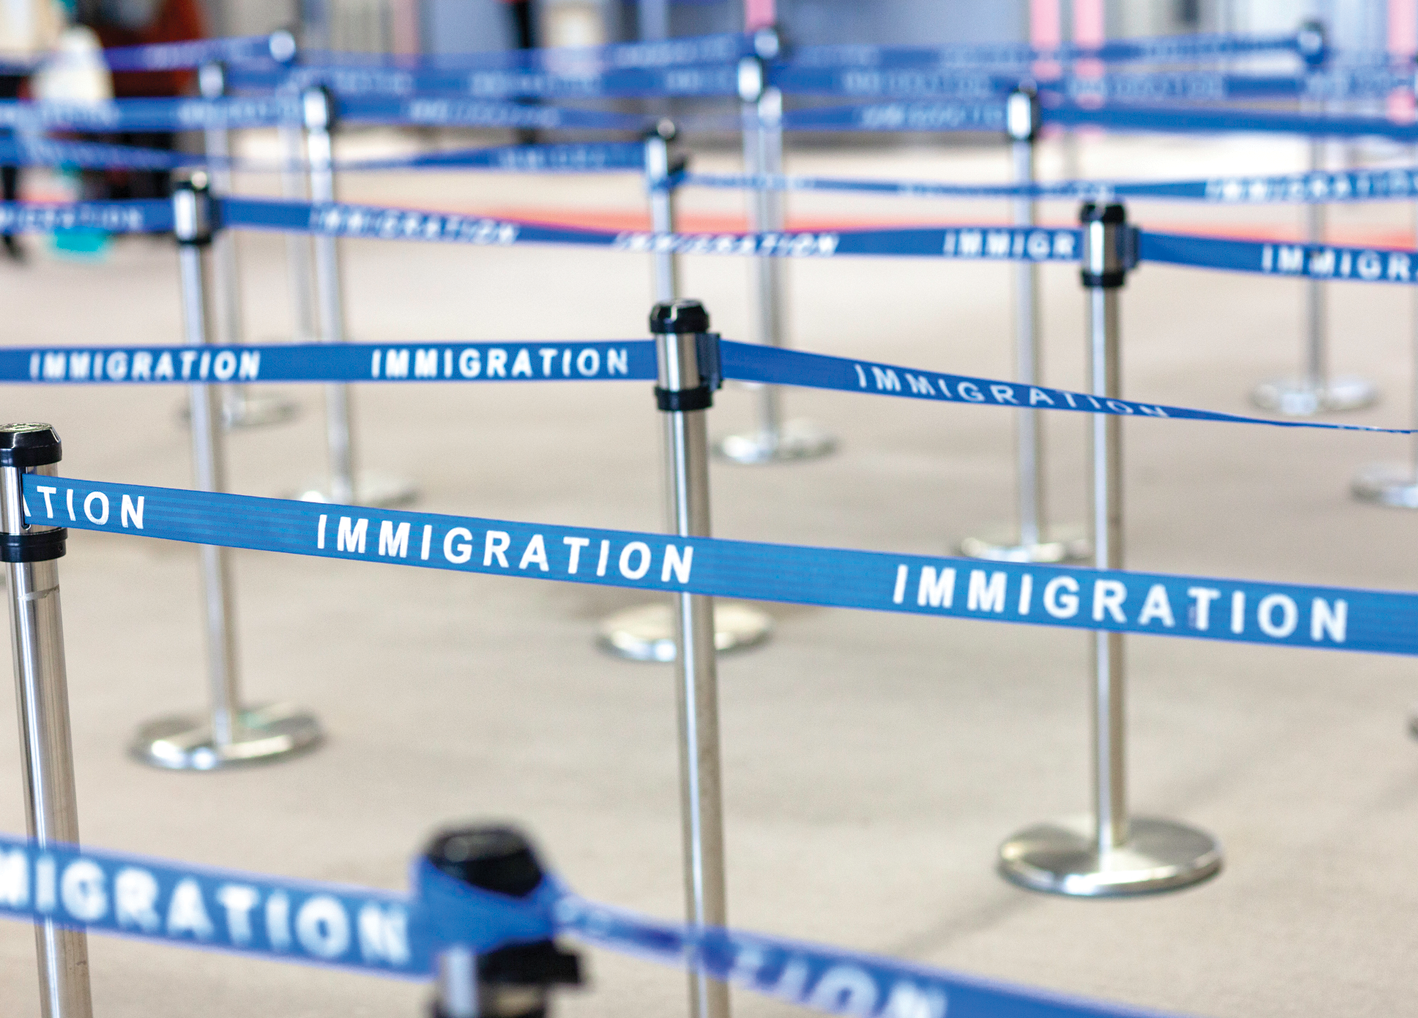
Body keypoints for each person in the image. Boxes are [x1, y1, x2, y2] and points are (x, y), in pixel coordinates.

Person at [78, 0, 203, 200]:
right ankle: (143, 211)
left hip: (150, 83)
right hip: (134, 82)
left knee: (148, 161)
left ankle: (151, 213)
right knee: (131, 161)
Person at [0, 0, 65, 259]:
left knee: (12, 153)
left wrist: (48, 47)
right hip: (11, 61)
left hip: (22, 65)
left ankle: (10, 231)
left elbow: (50, 17)